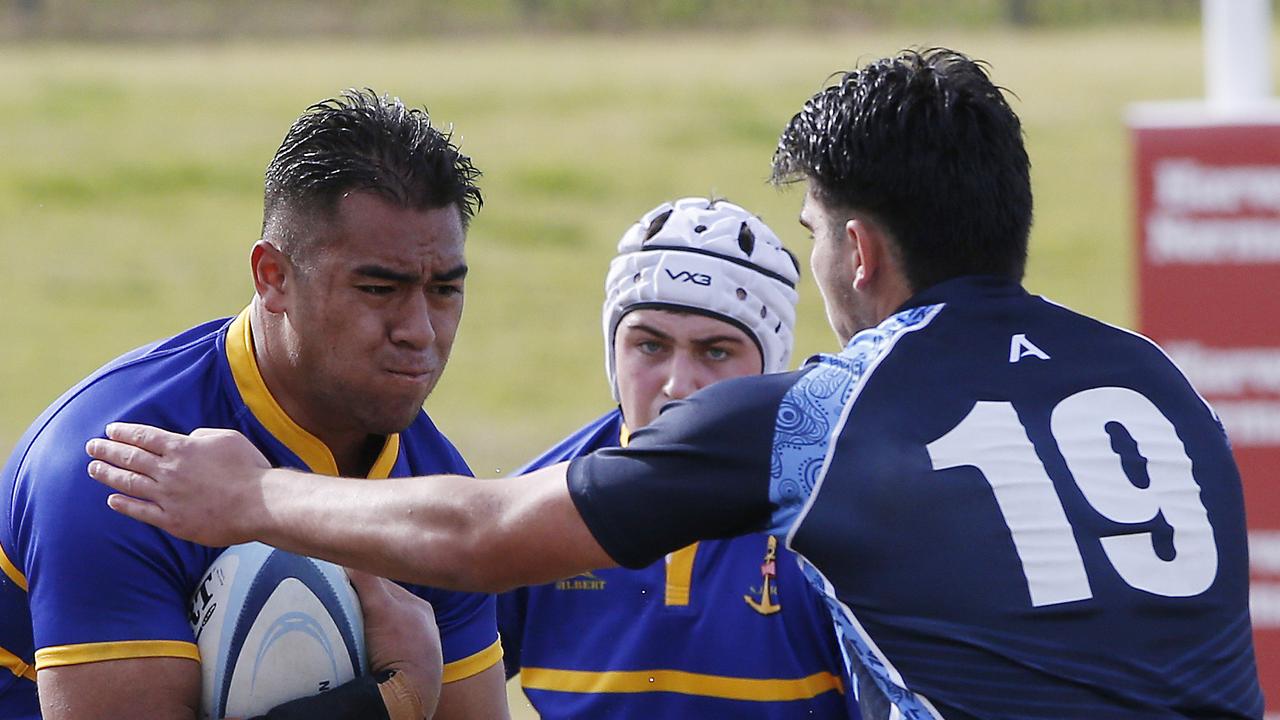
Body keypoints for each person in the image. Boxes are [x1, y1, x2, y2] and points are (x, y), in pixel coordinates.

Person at [86, 49, 1264, 718]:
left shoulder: (824, 410)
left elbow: (486, 531)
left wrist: (252, 498)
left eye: (809, 229)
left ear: (854, 251)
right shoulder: (1166, 386)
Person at [2, 89, 511, 719]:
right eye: (379, 288)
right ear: (272, 277)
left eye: (443, 291)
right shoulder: (119, 466)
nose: (420, 331)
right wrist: (397, 700)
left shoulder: (436, 489)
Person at [498, 196, 856, 718]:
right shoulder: (539, 507)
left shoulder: (835, 520)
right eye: (649, 346)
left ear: (770, 366)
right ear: (612, 352)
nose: (676, 385)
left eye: (715, 351)